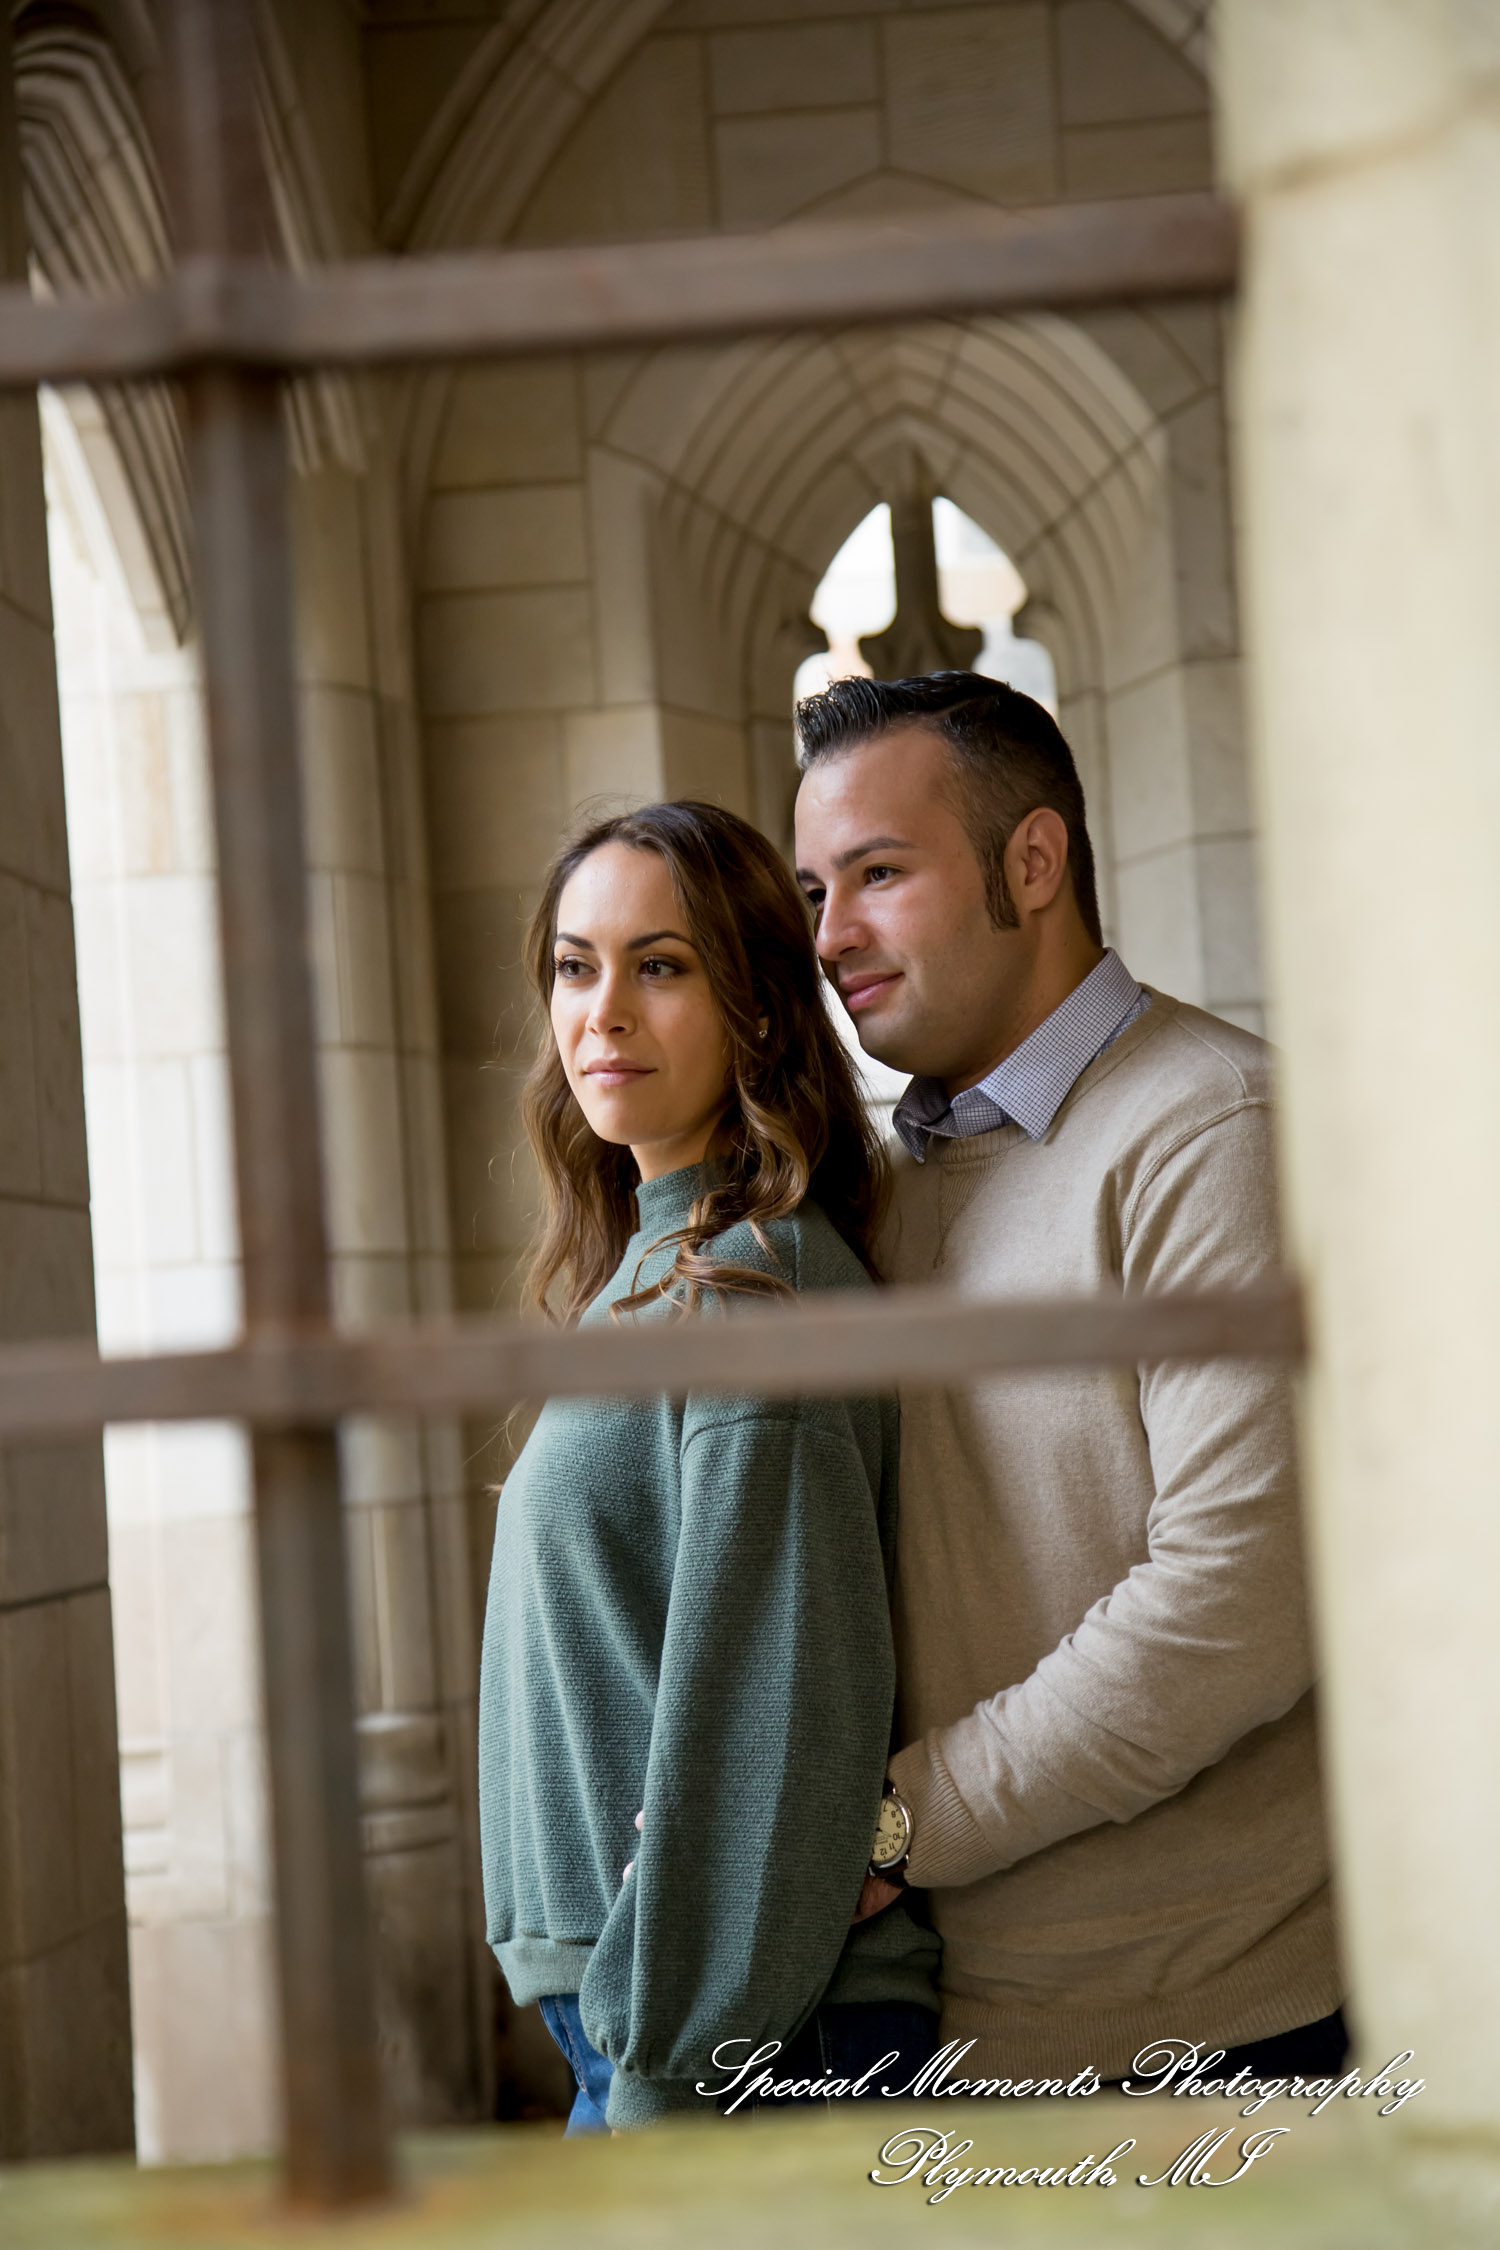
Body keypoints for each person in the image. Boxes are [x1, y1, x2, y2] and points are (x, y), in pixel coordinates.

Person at [794, 672, 1344, 2087]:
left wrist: (893, 1822)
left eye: (878, 873)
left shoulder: (1206, 1126)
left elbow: (1237, 1604)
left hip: (1203, 2034)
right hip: (933, 2019)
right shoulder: (882, 1184)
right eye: (813, 891)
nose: (832, 934)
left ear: (1031, 864)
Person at [477, 800, 940, 2135]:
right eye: (576, 965)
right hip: (662, 2016)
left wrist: (668, 2069)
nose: (602, 1009)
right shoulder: (661, 1259)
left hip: (736, 2041)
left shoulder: (752, 1293)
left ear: (756, 1007)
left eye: (660, 964)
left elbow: (770, 1714)